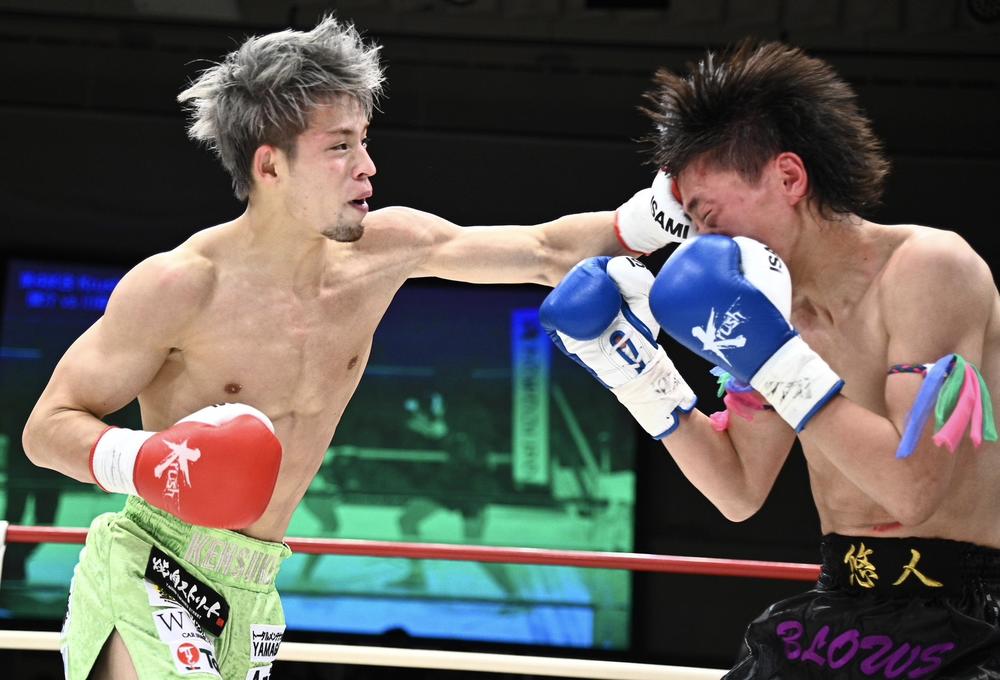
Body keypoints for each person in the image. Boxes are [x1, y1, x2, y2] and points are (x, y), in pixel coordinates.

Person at [19, 14, 686, 680]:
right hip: (156, 561)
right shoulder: (182, 285)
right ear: (270, 164)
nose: (367, 166)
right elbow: (46, 427)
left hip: (255, 581)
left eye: (363, 140)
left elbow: (543, 250)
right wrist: (150, 461)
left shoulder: (385, 252)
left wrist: (659, 215)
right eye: (339, 146)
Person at [541, 40, 1000, 678]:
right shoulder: (775, 314)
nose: (703, 243)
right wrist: (635, 372)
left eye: (708, 216)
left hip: (965, 617)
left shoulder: (929, 269)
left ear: (788, 178)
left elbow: (911, 490)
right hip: (842, 603)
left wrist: (772, 358)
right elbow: (737, 489)